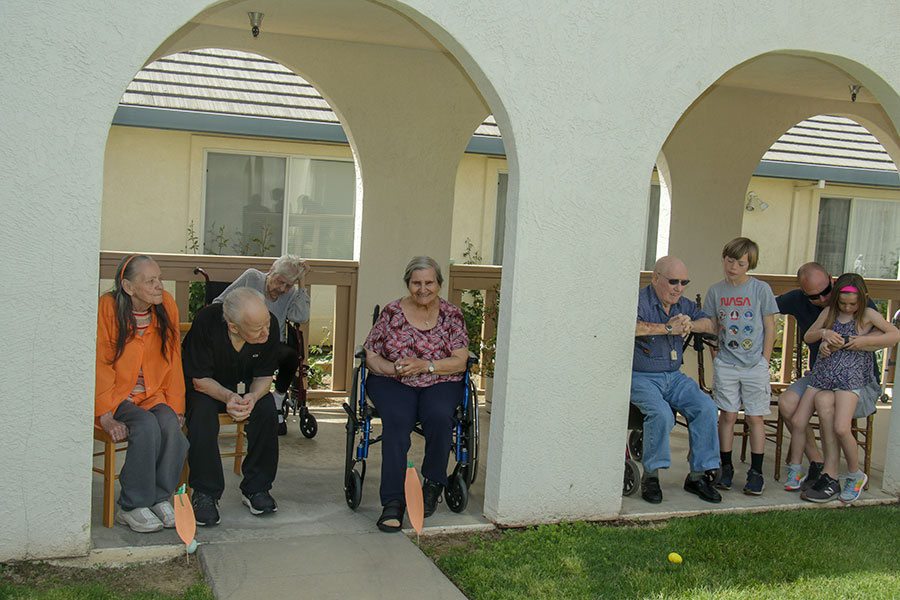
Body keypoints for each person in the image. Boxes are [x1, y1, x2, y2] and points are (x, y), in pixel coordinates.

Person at [363, 256, 469, 532]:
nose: (423, 289)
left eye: (429, 282)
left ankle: (433, 483)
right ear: (408, 283)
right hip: (393, 382)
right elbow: (371, 353)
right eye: (416, 283)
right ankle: (393, 502)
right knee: (397, 421)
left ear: (439, 284)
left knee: (438, 415)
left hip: (440, 380)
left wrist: (426, 365)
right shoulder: (391, 313)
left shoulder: (451, 315)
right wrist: (391, 369)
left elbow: (459, 360)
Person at [95, 254, 189, 533]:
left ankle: (160, 497)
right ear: (128, 286)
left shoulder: (166, 305)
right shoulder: (109, 307)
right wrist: (106, 415)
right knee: (147, 427)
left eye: (159, 278)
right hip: (117, 395)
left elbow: (173, 356)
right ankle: (132, 505)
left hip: (152, 394)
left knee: (171, 426)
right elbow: (100, 361)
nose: (159, 285)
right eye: (150, 281)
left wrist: (177, 405)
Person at [787, 273, 900, 503]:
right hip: (828, 377)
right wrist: (826, 338)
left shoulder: (867, 315)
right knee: (815, 409)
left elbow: (894, 334)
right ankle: (827, 474)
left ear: (862, 300)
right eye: (843, 303)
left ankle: (855, 474)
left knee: (841, 428)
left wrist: (863, 341)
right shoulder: (829, 313)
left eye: (853, 304)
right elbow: (810, 336)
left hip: (851, 380)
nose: (848, 308)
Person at [183, 287, 281, 525]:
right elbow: (199, 379)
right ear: (233, 327)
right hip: (207, 387)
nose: (266, 332)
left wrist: (252, 398)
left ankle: (256, 488)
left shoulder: (271, 326)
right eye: (258, 329)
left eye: (267, 324)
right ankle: (205, 493)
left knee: (268, 410)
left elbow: (265, 376)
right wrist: (228, 397)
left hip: (246, 388)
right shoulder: (207, 322)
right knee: (201, 414)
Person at [631, 256, 721, 504]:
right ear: (656, 278)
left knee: (706, 407)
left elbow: (711, 323)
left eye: (684, 282)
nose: (678, 288)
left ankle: (698, 475)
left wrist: (691, 323)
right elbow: (631, 327)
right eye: (673, 282)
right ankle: (651, 476)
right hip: (641, 376)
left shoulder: (683, 305)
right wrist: (668, 328)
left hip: (673, 376)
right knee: (661, 414)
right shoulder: (639, 300)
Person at [704, 238, 777, 495]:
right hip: (726, 362)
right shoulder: (716, 291)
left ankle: (756, 472)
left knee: (755, 417)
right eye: (730, 260)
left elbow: (770, 326)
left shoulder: (760, 289)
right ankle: (726, 467)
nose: (733, 267)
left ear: (750, 265)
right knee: (728, 415)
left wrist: (764, 360)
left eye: (740, 263)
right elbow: (712, 328)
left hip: (754, 363)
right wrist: (716, 358)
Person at [214, 255, 310, 435]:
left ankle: (277, 400)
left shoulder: (289, 293)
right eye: (279, 281)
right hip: (244, 339)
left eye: (288, 285)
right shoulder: (252, 278)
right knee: (248, 358)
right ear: (271, 270)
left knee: (291, 357)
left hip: (271, 344)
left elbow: (301, 317)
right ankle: (249, 406)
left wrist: (302, 283)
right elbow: (221, 302)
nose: (282, 288)